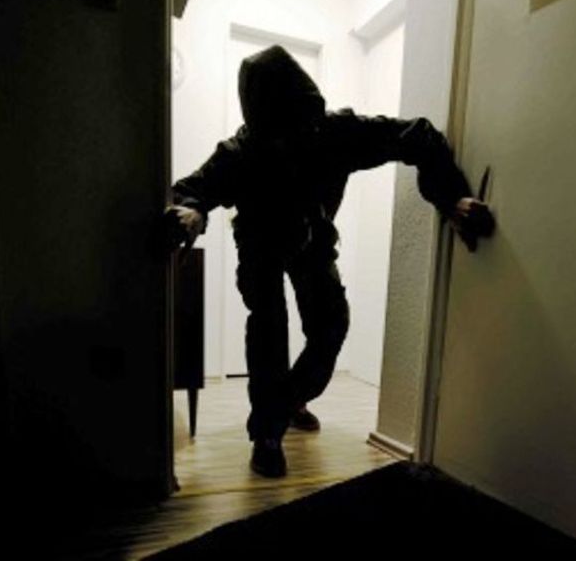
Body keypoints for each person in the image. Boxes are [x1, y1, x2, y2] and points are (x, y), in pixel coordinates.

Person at [168, 45, 494, 478]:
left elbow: (419, 137)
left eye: (300, 126)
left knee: (331, 326)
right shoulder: (241, 152)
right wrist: (192, 212)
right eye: (280, 133)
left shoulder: (336, 132)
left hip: (313, 239)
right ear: (262, 127)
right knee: (268, 328)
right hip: (261, 243)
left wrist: (451, 197)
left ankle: (287, 402)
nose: (292, 140)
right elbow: (190, 189)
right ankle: (267, 435)